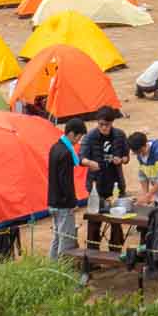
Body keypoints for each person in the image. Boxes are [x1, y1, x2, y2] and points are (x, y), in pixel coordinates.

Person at [47, 118, 99, 261]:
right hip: (63, 204)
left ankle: (51, 267)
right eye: (78, 137)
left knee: (57, 237)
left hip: (52, 201)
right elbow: (66, 182)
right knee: (66, 240)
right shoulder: (65, 153)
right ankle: (62, 270)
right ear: (71, 134)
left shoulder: (55, 147)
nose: (78, 140)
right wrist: (72, 201)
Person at [80, 106, 129, 251]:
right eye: (101, 124)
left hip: (115, 185)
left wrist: (121, 160)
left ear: (112, 122)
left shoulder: (120, 135)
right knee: (94, 221)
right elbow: (80, 158)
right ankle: (92, 254)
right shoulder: (89, 137)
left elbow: (127, 157)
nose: (104, 127)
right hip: (96, 185)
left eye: (107, 124)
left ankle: (115, 251)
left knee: (116, 220)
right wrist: (89, 163)